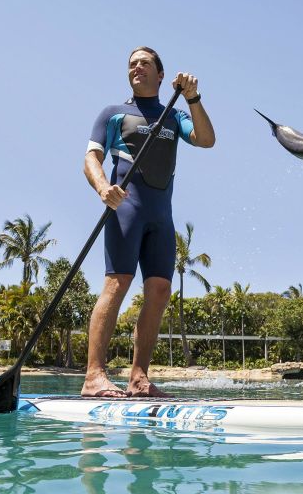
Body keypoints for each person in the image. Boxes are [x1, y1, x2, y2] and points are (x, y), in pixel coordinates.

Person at [81, 47, 215, 398]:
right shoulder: (113, 113)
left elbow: (206, 140)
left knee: (159, 290)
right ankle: (94, 376)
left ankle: (139, 378)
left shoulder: (174, 114)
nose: (136, 67)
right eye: (131, 63)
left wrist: (193, 97)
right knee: (117, 283)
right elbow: (91, 157)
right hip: (126, 210)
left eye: (145, 63)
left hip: (161, 216)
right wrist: (102, 187)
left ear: (160, 75)